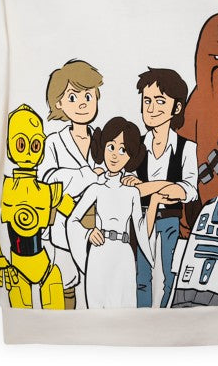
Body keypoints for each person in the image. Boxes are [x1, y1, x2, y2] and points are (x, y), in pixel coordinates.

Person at [122, 67, 198, 308]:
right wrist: (166, 187)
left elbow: (188, 190)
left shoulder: (187, 148)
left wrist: (148, 187)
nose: (152, 108)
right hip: (140, 220)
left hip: (170, 221)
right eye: (147, 101)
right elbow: (129, 188)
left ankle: (167, 317)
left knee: (170, 277)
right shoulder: (135, 146)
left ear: (177, 107)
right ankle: (142, 317)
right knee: (141, 277)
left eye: (160, 101)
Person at [66, 117, 158, 308]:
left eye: (123, 150)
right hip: (99, 252)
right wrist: (88, 233)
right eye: (111, 147)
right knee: (96, 306)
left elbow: (140, 229)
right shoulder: (95, 188)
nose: (115, 155)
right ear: (102, 147)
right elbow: (72, 219)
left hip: (124, 255)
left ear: (131, 156)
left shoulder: (132, 192)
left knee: (125, 307)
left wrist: (155, 202)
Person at [37, 59, 106, 309]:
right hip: (62, 230)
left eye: (88, 96)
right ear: (59, 103)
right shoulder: (53, 142)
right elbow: (48, 180)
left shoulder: (104, 140)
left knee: (96, 287)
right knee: (66, 285)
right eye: (73, 97)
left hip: (98, 228)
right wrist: (88, 175)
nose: (82, 104)